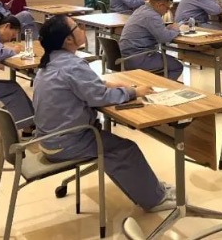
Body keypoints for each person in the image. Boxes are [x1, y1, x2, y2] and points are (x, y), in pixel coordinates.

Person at [32, 16, 175, 212]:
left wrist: (108, 84)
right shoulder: (73, 65)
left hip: (49, 139)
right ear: (68, 39)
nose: (82, 28)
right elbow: (100, 97)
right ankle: (155, 200)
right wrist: (134, 92)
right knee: (126, 149)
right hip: (67, 143)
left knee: (115, 146)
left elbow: (81, 85)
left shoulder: (52, 61)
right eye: (77, 27)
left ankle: (151, 189)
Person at [119, 0, 183, 80]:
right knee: (177, 66)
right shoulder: (152, 16)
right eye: (167, 8)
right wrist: (175, 29)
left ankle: (156, 83)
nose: (167, 11)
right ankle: (161, 86)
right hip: (138, 58)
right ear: (159, 5)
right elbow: (164, 38)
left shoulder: (141, 9)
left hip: (126, 56)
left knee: (167, 63)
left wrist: (166, 29)